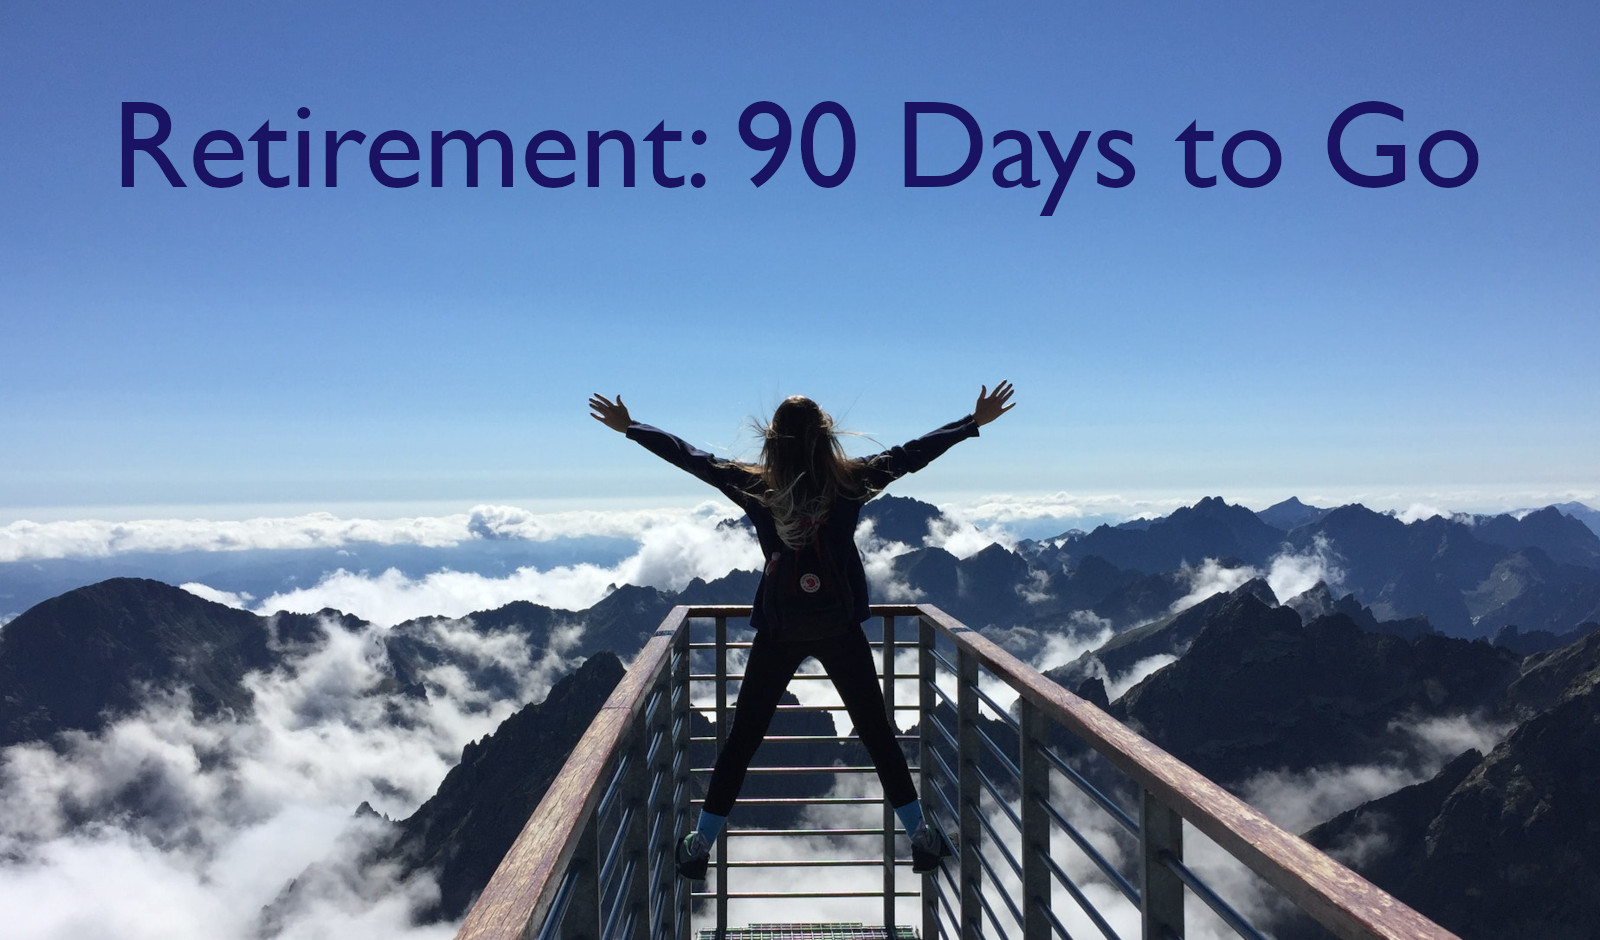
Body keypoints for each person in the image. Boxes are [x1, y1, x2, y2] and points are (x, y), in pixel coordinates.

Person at [588, 382, 1015, 880]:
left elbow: (692, 458)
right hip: (838, 626)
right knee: (877, 733)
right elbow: (912, 454)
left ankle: (701, 842)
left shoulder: (755, 486)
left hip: (780, 627)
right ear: (826, 435)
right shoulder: (851, 483)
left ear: (773, 440)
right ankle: (920, 833)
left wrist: (632, 428)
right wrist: (972, 422)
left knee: (743, 737)